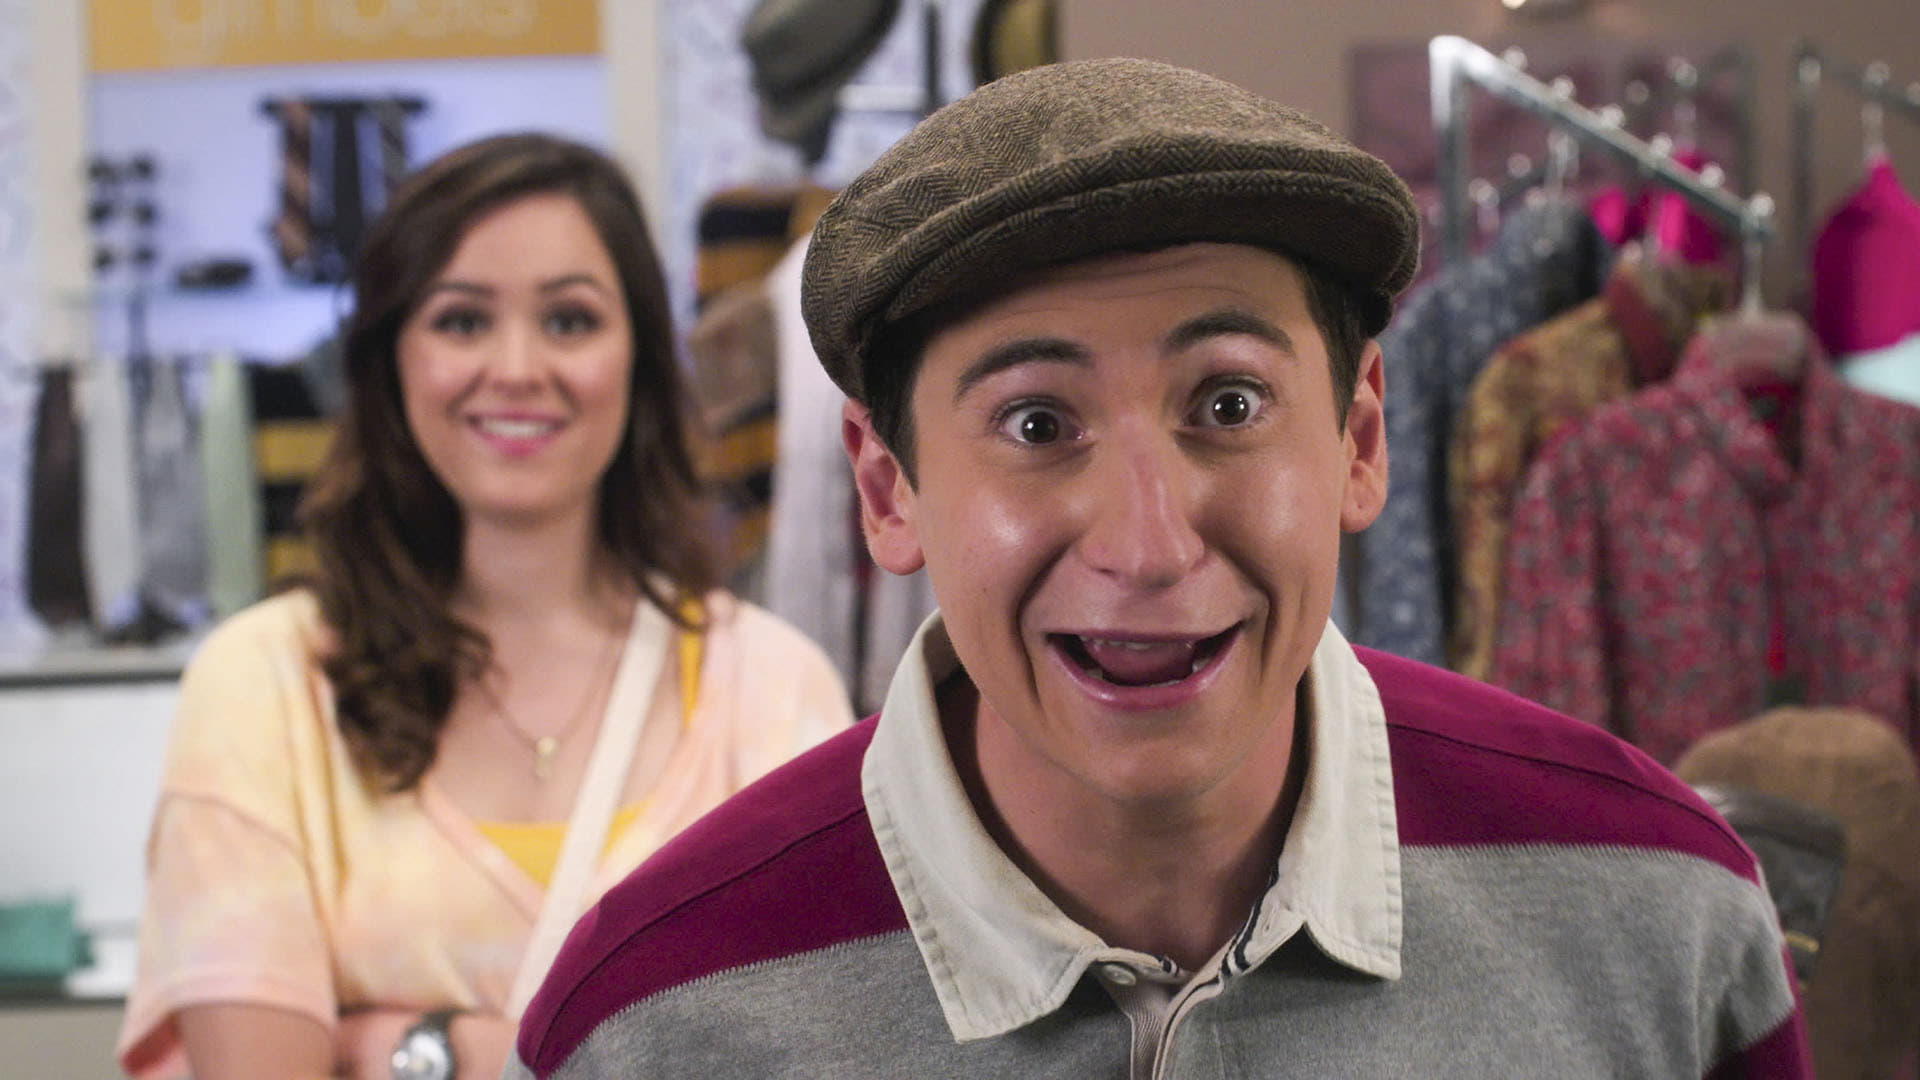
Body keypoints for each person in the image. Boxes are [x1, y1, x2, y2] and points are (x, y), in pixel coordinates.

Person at [508, 60, 1810, 1079]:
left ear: (1360, 439)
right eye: (1036, 424)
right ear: (888, 487)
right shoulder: (653, 1021)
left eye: (1230, 405)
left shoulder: (1663, 916)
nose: (1150, 545)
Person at [115, 133, 854, 1080]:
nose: (516, 367)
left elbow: (822, 1052)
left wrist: (410, 1046)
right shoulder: (264, 685)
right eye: (462, 321)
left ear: (638, 358)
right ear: (390, 360)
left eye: (570, 320)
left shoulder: (773, 686)